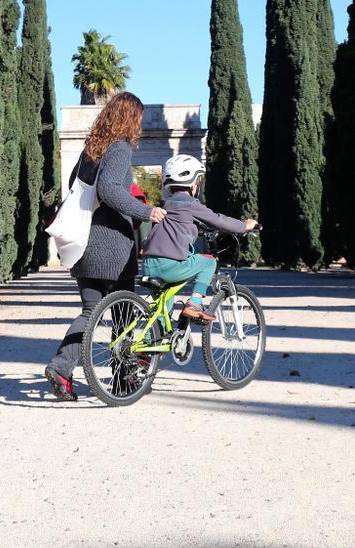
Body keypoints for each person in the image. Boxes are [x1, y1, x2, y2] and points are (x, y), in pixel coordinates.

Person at [45, 92, 166, 402]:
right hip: (112, 246)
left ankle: (60, 368)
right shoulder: (120, 149)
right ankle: (124, 381)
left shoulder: (90, 152)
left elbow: (76, 190)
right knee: (125, 315)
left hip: (84, 245)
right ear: (130, 119)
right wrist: (145, 211)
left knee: (90, 312)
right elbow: (109, 190)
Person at [141, 154, 257, 323]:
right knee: (208, 262)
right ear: (193, 185)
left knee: (164, 304)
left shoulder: (165, 205)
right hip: (169, 265)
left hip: (148, 264)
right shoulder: (190, 204)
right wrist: (244, 226)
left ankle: (151, 344)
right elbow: (218, 220)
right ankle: (195, 303)